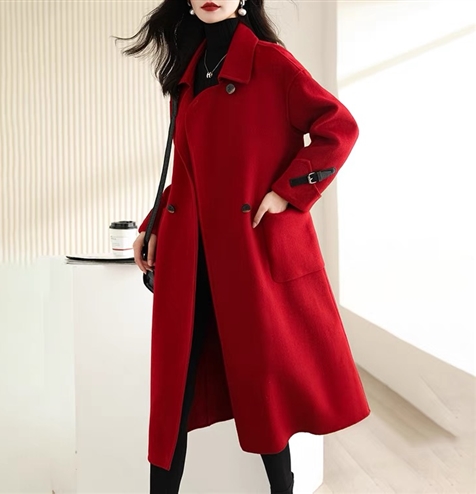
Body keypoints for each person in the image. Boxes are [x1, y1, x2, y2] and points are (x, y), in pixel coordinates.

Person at [116, 1, 371, 492]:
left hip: (250, 254)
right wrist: (154, 223)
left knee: (263, 388)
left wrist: (287, 192)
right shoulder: (189, 75)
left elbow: (339, 127)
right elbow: (190, 174)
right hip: (194, 258)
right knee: (174, 395)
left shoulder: (271, 64)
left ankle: (282, 488)